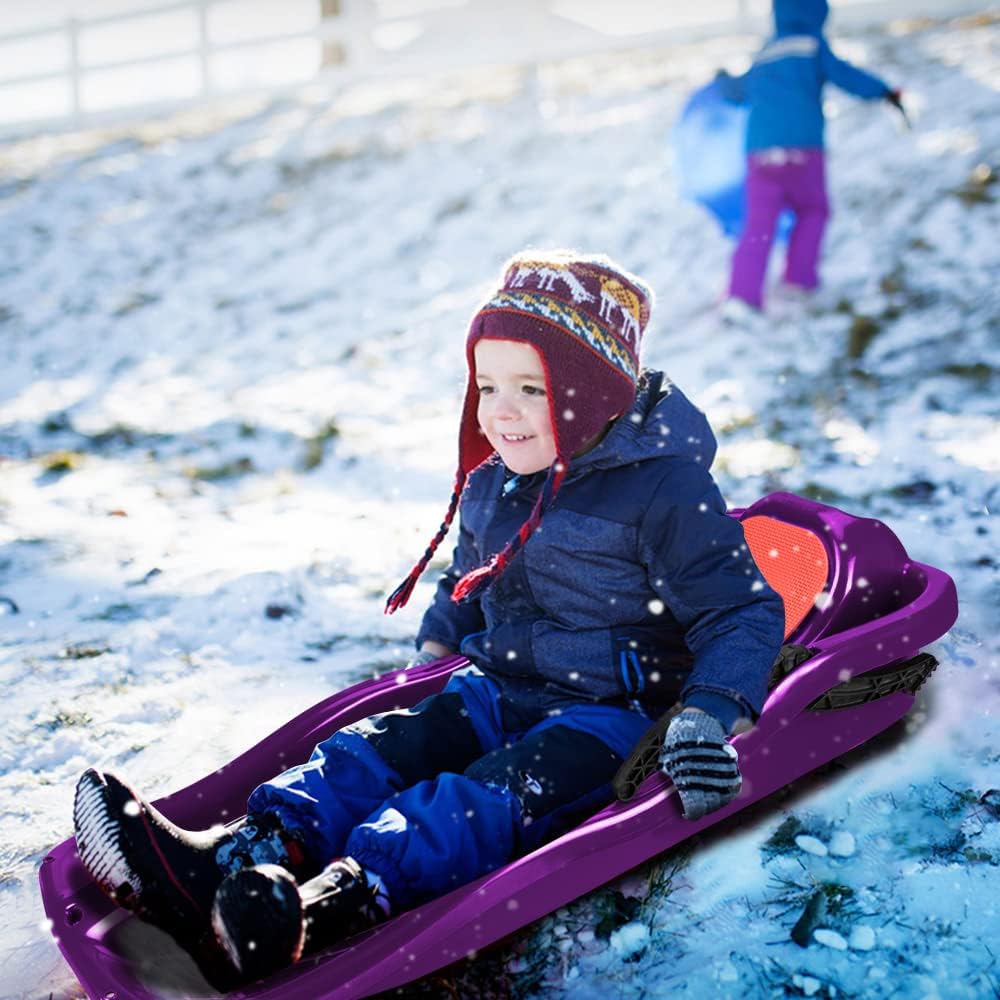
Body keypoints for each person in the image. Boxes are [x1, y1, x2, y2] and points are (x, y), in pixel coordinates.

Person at [72, 250, 785, 984]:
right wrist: (443, 633)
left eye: (531, 389)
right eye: (487, 386)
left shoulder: (666, 493)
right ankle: (234, 858)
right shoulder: (497, 475)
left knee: (478, 800)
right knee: (381, 749)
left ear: (593, 394)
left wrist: (708, 711)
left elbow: (743, 613)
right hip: (501, 684)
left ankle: (319, 908)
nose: (500, 412)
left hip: (609, 714)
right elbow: (473, 572)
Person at [715, 0, 903, 317]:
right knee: (812, 210)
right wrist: (884, 92)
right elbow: (847, 76)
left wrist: (722, 78)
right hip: (803, 152)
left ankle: (742, 297)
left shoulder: (765, 53)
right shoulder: (812, 45)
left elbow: (737, 92)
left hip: (760, 154)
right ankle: (799, 282)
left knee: (759, 225)